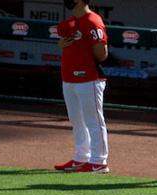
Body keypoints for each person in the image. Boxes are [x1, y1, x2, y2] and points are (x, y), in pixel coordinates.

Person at [54, 0, 110, 174]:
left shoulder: (93, 20)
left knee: (93, 120)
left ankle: (99, 161)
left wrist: (82, 49)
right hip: (69, 77)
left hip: (89, 77)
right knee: (77, 120)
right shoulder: (71, 22)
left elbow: (102, 54)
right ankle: (81, 157)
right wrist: (63, 45)